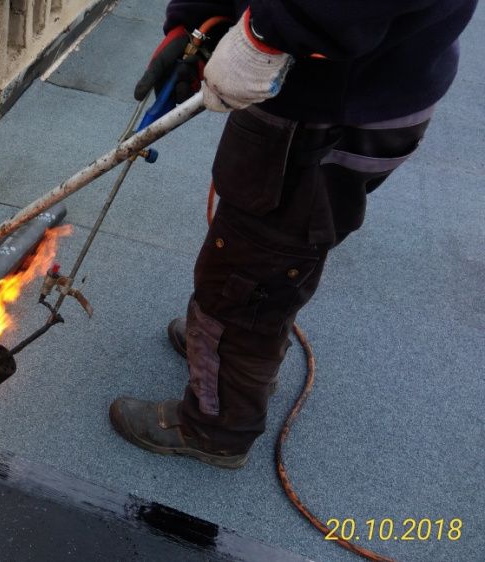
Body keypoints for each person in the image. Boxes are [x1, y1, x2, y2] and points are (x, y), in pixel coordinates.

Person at [109, 0, 478, 468]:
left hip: (336, 103)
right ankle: (224, 352)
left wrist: (268, 31)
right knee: (267, 247)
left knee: (251, 271)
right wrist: (199, 18)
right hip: (317, 77)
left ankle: (216, 426)